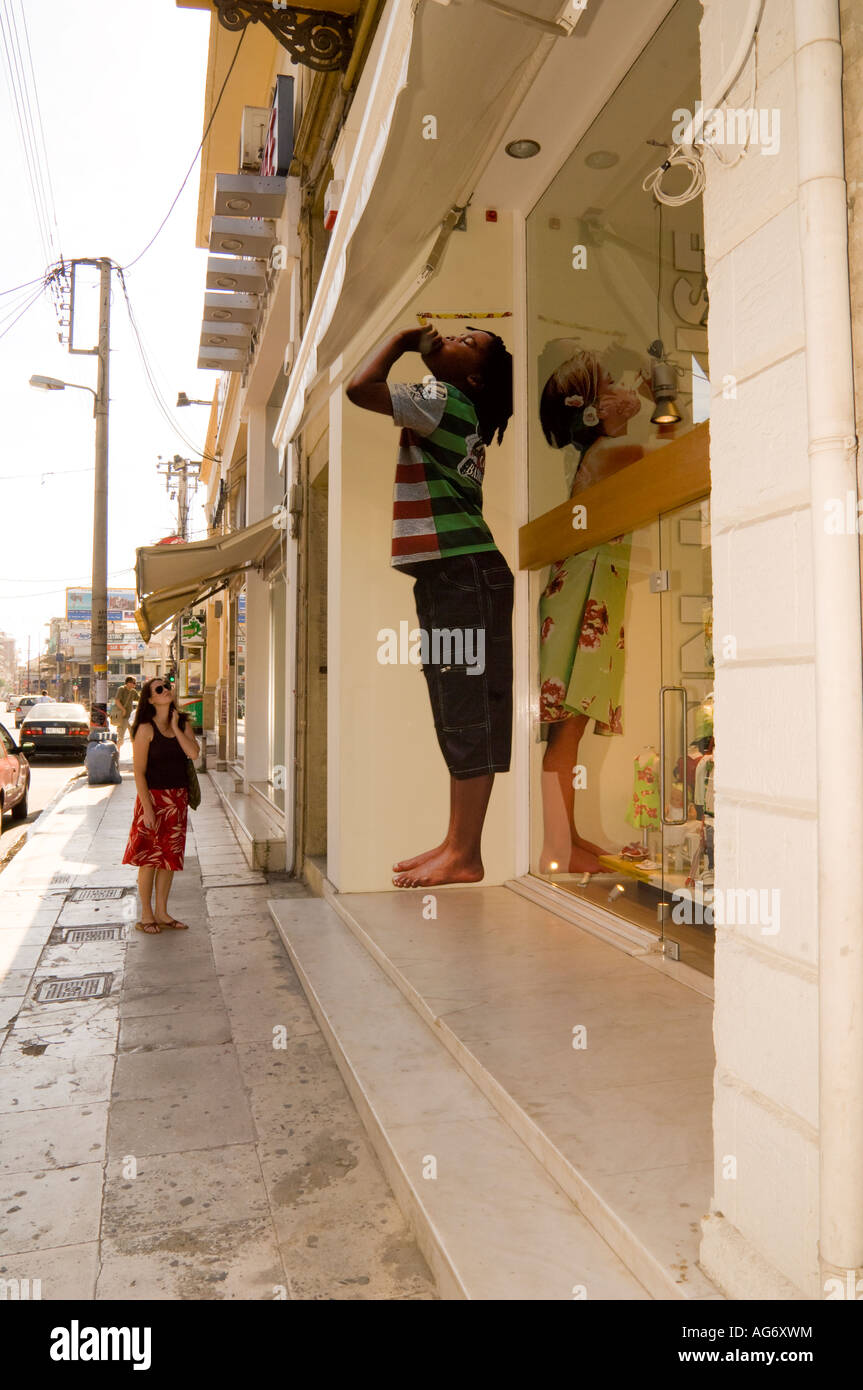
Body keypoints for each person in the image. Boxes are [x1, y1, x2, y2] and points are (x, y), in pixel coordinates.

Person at [347, 324, 514, 888]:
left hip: (463, 572)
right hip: (459, 574)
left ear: (470, 375)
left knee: (465, 708)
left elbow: (358, 389)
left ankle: (465, 853)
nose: (454, 335)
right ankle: (456, 844)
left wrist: (397, 340)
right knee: (457, 705)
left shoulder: (443, 399)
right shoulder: (452, 403)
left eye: (469, 341)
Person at [537, 348, 665, 875]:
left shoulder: (604, 451)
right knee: (567, 728)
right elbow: (668, 451)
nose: (621, 387)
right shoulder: (609, 452)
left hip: (593, 588)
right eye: (609, 383)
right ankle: (558, 846)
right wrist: (660, 397)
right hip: (586, 592)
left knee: (573, 727)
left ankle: (566, 840)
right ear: (590, 408)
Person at [123, 676, 200, 933]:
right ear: (150, 698)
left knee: (169, 859)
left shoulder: (182, 722)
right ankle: (146, 914)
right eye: (159, 689)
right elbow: (139, 772)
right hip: (153, 799)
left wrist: (177, 728)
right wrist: (147, 808)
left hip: (177, 799)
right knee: (149, 859)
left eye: (167, 686)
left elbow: (194, 753)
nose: (165, 690)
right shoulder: (144, 729)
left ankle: (163, 911)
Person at [112, 676, 137, 747]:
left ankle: (136, 754)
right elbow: (117, 701)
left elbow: (139, 699)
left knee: (134, 737)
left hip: (130, 718)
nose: (135, 685)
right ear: (128, 683)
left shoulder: (133, 691)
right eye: (133, 683)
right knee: (120, 737)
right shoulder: (121, 689)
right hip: (122, 717)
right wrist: (123, 710)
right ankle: (117, 754)